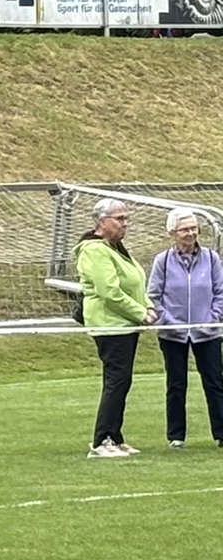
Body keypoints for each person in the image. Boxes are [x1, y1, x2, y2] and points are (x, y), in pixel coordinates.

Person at [75, 196, 154, 458]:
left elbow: (133, 282)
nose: (125, 224)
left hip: (125, 324)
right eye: (120, 219)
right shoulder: (95, 250)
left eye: (126, 218)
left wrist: (148, 306)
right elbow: (110, 291)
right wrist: (140, 313)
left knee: (122, 381)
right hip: (110, 325)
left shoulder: (115, 248)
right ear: (102, 222)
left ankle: (115, 437)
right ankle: (102, 440)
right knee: (117, 381)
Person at [148, 209, 223, 449]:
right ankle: (176, 436)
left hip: (207, 332)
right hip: (173, 334)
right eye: (184, 229)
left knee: (214, 382)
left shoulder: (211, 258)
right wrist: (169, 322)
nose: (190, 233)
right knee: (176, 384)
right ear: (172, 233)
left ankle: (221, 433)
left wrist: (212, 319)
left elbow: (220, 293)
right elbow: (154, 297)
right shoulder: (162, 261)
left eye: (193, 228)